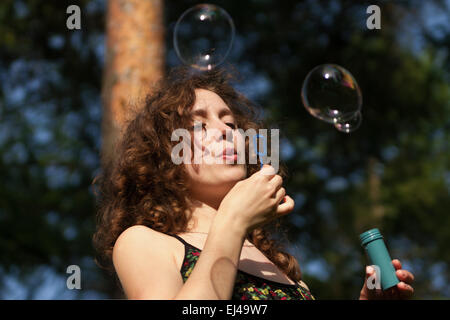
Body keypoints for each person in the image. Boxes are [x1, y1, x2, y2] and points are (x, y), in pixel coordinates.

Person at [92, 67, 414, 300]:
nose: (225, 131)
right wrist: (233, 219)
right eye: (199, 125)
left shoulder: (275, 264)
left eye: (230, 122)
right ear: (164, 158)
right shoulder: (142, 243)